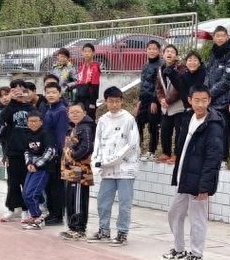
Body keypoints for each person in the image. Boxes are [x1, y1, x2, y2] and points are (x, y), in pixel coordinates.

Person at [162, 86, 224, 260]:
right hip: (184, 177)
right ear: (189, 100)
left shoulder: (214, 124)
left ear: (209, 101)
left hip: (199, 182)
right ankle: (179, 250)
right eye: (197, 100)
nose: (200, 104)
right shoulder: (187, 118)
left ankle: (196, 255)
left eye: (204, 100)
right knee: (174, 213)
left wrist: (205, 187)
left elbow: (214, 157)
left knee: (197, 219)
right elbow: (182, 147)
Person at [89, 86, 140, 245]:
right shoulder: (103, 120)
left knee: (124, 203)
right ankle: (104, 230)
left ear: (122, 102)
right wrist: (96, 163)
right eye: (111, 101)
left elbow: (132, 145)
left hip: (125, 170)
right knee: (103, 201)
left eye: (117, 101)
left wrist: (113, 160)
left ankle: (122, 233)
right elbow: (97, 143)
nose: (114, 105)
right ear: (106, 102)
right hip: (107, 170)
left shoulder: (129, 119)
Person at [60, 100, 96, 239]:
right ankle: (72, 226)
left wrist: (74, 156)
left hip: (80, 171)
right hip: (71, 171)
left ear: (84, 113)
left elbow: (87, 147)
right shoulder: (74, 127)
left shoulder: (85, 127)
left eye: (77, 112)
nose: (74, 115)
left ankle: (79, 227)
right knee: (71, 198)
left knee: (78, 200)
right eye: (71, 112)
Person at [0, 80, 33, 222]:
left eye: (21, 89)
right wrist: (12, 102)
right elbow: (2, 118)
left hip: (28, 152)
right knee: (12, 182)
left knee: (26, 182)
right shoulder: (10, 108)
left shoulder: (30, 108)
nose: (18, 92)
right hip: (13, 151)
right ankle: (12, 208)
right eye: (15, 89)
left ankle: (26, 210)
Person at [206, 26, 230, 163]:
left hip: (223, 101)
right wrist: (204, 93)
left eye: (222, 35)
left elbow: (227, 81)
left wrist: (209, 94)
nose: (219, 38)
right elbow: (207, 76)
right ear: (213, 38)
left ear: (227, 37)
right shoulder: (213, 54)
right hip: (210, 101)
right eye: (217, 35)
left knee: (222, 131)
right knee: (211, 132)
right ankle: (212, 158)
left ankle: (223, 160)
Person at [20, 111, 57, 230]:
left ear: (41, 122)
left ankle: (38, 218)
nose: (33, 123)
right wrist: (29, 163)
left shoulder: (46, 134)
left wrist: (37, 165)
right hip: (31, 168)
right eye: (31, 121)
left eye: (36, 121)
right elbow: (27, 151)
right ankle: (38, 212)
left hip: (43, 169)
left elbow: (50, 152)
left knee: (32, 194)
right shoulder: (27, 134)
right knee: (25, 193)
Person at [41, 83, 70, 226]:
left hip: (57, 154)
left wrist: (60, 153)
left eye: (54, 92)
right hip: (49, 153)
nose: (51, 95)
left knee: (56, 186)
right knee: (49, 185)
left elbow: (61, 134)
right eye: (48, 92)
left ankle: (57, 215)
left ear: (60, 94)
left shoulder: (61, 111)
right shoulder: (49, 110)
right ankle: (52, 213)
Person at [156, 44, 188, 164]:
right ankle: (166, 152)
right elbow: (158, 87)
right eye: (167, 51)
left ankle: (177, 155)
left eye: (172, 52)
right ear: (163, 55)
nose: (169, 53)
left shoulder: (181, 68)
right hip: (166, 107)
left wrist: (168, 100)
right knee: (165, 130)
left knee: (179, 132)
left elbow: (179, 88)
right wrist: (161, 100)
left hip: (178, 106)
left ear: (176, 56)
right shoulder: (160, 69)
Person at [136, 40, 162, 161]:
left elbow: (158, 85)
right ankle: (137, 148)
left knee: (153, 126)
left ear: (159, 51)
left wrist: (154, 101)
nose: (152, 51)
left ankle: (151, 151)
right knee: (138, 123)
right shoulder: (145, 65)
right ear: (146, 50)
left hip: (154, 101)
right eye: (149, 48)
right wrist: (139, 100)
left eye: (154, 49)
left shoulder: (160, 65)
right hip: (144, 100)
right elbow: (142, 84)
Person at [75, 43, 101, 117]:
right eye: (85, 51)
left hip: (89, 98)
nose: (86, 53)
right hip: (80, 97)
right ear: (82, 52)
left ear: (93, 53)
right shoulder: (81, 67)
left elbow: (95, 85)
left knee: (89, 118)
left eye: (89, 51)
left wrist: (92, 103)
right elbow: (78, 82)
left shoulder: (95, 67)